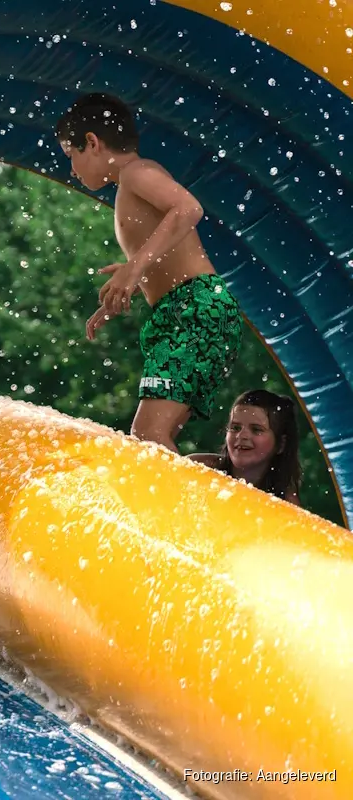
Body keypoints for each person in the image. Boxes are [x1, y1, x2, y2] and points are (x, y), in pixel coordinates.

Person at [56, 93, 244, 451]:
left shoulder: (137, 172)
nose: (72, 170)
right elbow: (174, 255)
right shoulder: (130, 182)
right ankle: (214, 476)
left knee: (148, 436)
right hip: (186, 310)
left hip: (196, 309)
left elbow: (188, 208)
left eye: (71, 155)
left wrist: (134, 268)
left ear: (92, 142)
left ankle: (203, 489)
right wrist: (136, 280)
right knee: (154, 438)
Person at [188, 389, 301, 505]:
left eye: (256, 429)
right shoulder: (197, 468)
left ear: (281, 444)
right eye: (235, 428)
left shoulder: (285, 503)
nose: (241, 435)